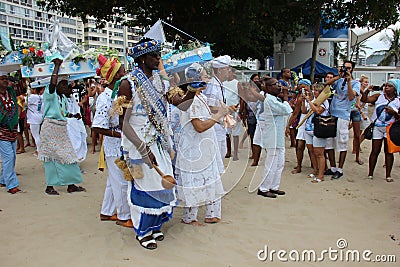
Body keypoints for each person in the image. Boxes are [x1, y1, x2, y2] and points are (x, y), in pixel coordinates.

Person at [117, 38, 196, 249]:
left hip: (160, 143)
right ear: (142, 58)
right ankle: (142, 231)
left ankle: (154, 226)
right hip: (137, 145)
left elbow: (182, 105)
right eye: (154, 55)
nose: (159, 59)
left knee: (162, 184)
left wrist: (193, 89)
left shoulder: (160, 82)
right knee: (144, 186)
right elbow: (121, 123)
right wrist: (142, 149)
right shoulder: (127, 84)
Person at [177, 63, 228, 226]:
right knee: (195, 181)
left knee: (210, 179)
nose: (208, 79)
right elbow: (199, 127)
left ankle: (211, 214)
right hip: (195, 149)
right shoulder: (191, 100)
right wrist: (219, 114)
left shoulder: (201, 97)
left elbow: (209, 110)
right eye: (205, 76)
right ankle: (190, 217)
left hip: (204, 147)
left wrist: (224, 110)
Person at [92, 54, 131, 227]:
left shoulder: (118, 94)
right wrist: (120, 135)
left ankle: (106, 212)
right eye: (123, 70)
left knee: (113, 182)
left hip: (121, 144)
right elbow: (97, 127)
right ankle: (123, 216)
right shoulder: (105, 97)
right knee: (121, 182)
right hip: (115, 147)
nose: (126, 72)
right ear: (116, 76)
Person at [39, 59, 86, 195]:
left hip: (61, 128)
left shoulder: (63, 98)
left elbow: (63, 113)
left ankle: (71, 185)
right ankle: (50, 187)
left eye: (67, 84)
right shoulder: (50, 94)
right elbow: (53, 83)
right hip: (50, 128)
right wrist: (57, 66)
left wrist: (73, 115)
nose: (66, 87)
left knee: (68, 155)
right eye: (63, 84)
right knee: (52, 158)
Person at [324, 60, 360, 179]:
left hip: (343, 115)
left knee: (342, 142)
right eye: (344, 67)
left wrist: (349, 81)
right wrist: (339, 76)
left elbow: (351, 97)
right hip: (332, 114)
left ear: (352, 70)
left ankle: (340, 169)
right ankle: (333, 167)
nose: (346, 70)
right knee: (329, 142)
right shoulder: (338, 80)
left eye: (348, 68)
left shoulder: (356, 83)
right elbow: (327, 84)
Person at [257, 77, 292, 198]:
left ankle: (274, 186)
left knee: (279, 163)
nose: (279, 86)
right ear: (269, 88)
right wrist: (286, 99)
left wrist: (283, 98)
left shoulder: (275, 98)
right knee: (271, 163)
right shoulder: (270, 100)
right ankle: (263, 188)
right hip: (272, 136)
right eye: (275, 84)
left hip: (278, 136)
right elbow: (287, 110)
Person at [361, 79, 400, 182]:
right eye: (386, 85)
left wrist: (394, 113)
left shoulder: (398, 100)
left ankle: (388, 175)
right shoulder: (379, 96)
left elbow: (399, 117)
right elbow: (365, 100)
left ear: (395, 89)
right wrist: (367, 91)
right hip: (377, 127)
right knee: (375, 150)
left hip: (389, 128)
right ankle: (370, 173)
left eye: (390, 86)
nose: (386, 87)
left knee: (388, 152)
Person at [303, 83, 330, 183]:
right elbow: (304, 110)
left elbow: (318, 111)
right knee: (311, 151)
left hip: (318, 129)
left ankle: (321, 175)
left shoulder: (324, 102)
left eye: (317, 91)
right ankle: (315, 169)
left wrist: (309, 101)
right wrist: (305, 101)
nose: (314, 92)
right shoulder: (314, 100)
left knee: (319, 153)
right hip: (308, 128)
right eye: (314, 90)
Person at [0, 71, 21, 194]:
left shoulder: (10, 92)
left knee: (12, 156)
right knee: (8, 157)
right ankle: (11, 184)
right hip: (1, 131)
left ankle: (3, 179)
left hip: (12, 129)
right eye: (2, 78)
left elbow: (18, 86)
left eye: (6, 78)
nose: (5, 80)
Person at [285, 79, 312, 174]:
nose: (303, 89)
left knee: (311, 146)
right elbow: (296, 113)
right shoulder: (300, 98)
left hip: (311, 121)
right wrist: (288, 125)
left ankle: (314, 165)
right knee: (300, 145)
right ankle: (299, 165)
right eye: (301, 87)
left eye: (305, 87)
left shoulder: (314, 96)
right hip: (302, 122)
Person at [223, 68, 243, 161]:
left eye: (229, 71)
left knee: (235, 133)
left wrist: (241, 112)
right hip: (226, 110)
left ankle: (235, 153)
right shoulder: (223, 83)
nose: (227, 73)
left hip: (236, 110)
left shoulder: (237, 83)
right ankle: (228, 151)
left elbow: (242, 98)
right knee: (227, 132)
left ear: (233, 73)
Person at [26, 86, 44, 156]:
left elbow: (24, 102)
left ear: (35, 89)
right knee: (39, 135)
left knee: (36, 136)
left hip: (34, 118)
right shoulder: (41, 97)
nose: (30, 90)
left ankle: (39, 151)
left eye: (31, 89)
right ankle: (40, 149)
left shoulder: (33, 97)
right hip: (40, 116)